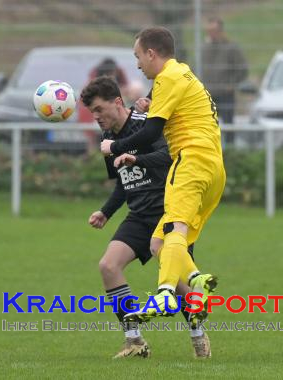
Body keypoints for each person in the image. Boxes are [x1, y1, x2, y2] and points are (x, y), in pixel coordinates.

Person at [100, 27, 226, 354]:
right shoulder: (183, 74)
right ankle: (196, 280)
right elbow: (171, 112)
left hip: (191, 161)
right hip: (213, 167)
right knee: (162, 242)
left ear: (152, 54)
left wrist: (115, 146)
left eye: (138, 56)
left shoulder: (167, 78)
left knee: (173, 229)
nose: (138, 64)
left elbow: (151, 131)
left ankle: (166, 292)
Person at [81, 76, 211, 359]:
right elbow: (122, 182)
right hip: (139, 215)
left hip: (169, 213)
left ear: (118, 102)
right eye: (93, 113)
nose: (97, 117)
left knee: (177, 284)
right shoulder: (108, 140)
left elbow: (169, 156)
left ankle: (198, 334)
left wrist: (135, 158)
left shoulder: (145, 124)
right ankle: (134, 341)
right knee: (108, 266)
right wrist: (106, 211)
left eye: (100, 109)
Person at [202, 16, 248, 143]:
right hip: (207, 95)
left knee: (228, 126)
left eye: (214, 31)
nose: (211, 34)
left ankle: (231, 152)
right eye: (209, 31)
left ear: (221, 31)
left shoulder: (231, 47)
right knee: (207, 126)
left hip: (225, 94)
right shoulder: (204, 48)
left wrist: (231, 85)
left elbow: (242, 69)